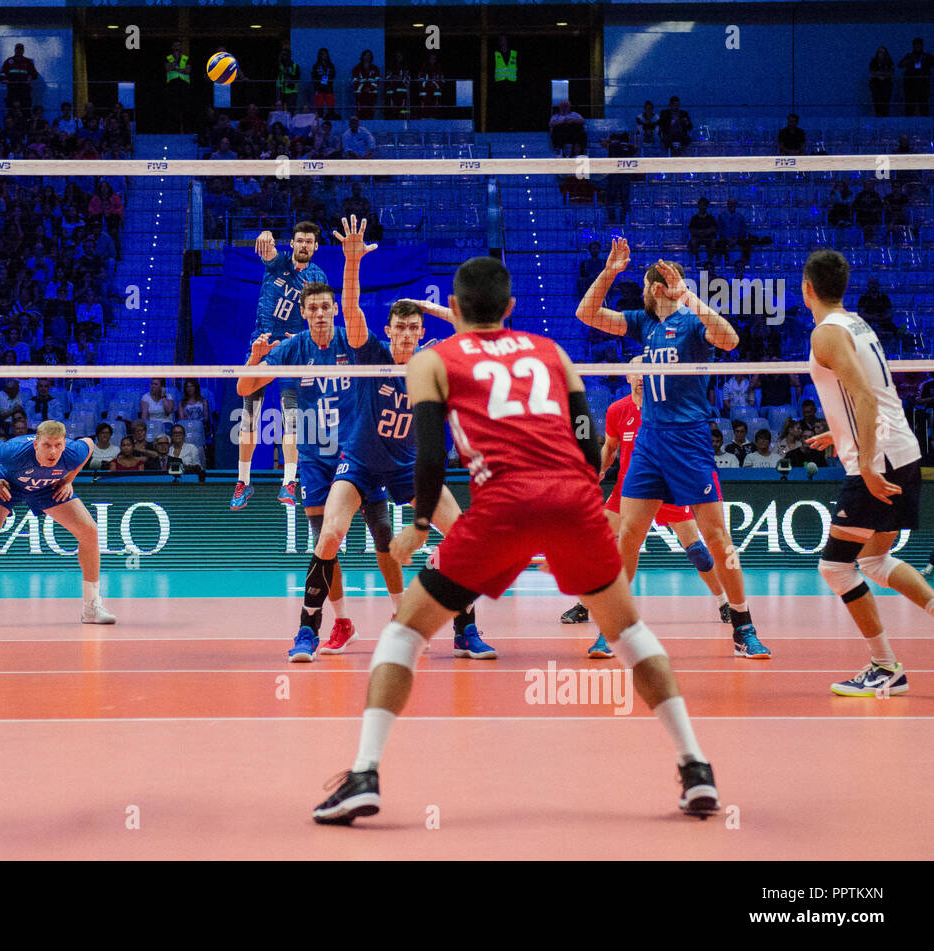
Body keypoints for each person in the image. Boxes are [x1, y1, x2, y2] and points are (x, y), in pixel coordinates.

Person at [312, 256, 720, 824]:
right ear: (508, 310)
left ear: (452, 310)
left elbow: (430, 453)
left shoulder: (433, 360)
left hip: (502, 503)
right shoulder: (552, 353)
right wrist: (586, 504)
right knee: (628, 630)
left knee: (403, 633)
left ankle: (364, 775)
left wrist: (420, 524)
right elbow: (587, 437)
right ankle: (695, 766)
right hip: (572, 498)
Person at [294, 219, 496, 660]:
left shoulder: (434, 362)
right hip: (360, 463)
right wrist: (351, 262)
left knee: (461, 534)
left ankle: (465, 629)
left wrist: (441, 312)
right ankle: (308, 630)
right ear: (389, 332)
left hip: (410, 467)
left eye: (412, 328)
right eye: (399, 328)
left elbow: (481, 336)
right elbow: (350, 311)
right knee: (329, 535)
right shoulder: (371, 353)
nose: (405, 334)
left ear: (421, 332)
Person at [575, 238, 768, 658]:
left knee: (717, 539)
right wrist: (610, 271)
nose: (640, 294)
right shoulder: (643, 324)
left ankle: (743, 624)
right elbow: (586, 314)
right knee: (628, 538)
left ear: (657, 289)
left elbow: (730, 340)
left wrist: (689, 297)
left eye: (644, 287)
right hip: (649, 441)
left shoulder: (693, 322)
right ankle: (614, 627)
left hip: (689, 439)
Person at [238, 221, 378, 661]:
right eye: (312, 308)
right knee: (325, 542)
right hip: (320, 457)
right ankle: (339, 622)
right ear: (305, 313)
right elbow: (245, 389)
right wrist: (256, 358)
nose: (319, 312)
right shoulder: (292, 345)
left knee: (385, 542)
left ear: (332, 309)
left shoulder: (349, 337)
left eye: (325, 307)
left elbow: (350, 303)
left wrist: (352, 262)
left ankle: (411, 623)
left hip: (355, 453)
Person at [801, 248, 933, 697]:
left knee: (836, 568)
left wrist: (870, 465)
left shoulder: (825, 335)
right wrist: (834, 433)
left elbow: (867, 399)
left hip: (881, 460)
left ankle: (884, 666)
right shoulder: (856, 322)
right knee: (874, 560)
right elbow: (864, 393)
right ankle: (886, 664)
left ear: (807, 289)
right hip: (903, 449)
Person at [559, 360, 731, 649]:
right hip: (629, 490)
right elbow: (611, 447)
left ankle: (724, 602)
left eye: (648, 373)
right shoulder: (617, 410)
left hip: (669, 488)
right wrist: (598, 471)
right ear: (628, 376)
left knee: (698, 552)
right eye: (637, 373)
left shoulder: (667, 408)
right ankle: (585, 605)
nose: (641, 378)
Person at [0, 419, 114, 627]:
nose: (53, 451)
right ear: (36, 444)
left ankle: (92, 607)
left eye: (58, 445)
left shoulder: (73, 453)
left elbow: (89, 444)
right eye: (47, 445)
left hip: (47, 488)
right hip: (7, 485)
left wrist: (68, 480)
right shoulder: (13, 452)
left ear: (64, 444)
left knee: (89, 531)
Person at [232, 221, 326, 511]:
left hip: (292, 349)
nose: (304, 245)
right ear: (292, 243)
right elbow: (267, 248)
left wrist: (302, 339)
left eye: (309, 242)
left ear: (316, 246)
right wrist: (264, 233)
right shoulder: (278, 264)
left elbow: (319, 318)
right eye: (300, 240)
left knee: (291, 418)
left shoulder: (318, 278)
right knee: (249, 418)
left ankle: (289, 482)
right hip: (261, 346)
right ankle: (244, 482)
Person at [0, 43, 39, 112]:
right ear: (15, 50)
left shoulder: (28, 61)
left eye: (21, 49)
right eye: (17, 49)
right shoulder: (9, 61)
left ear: (23, 51)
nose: (19, 51)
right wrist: (4, 79)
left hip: (25, 90)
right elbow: (2, 72)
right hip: (12, 90)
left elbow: (35, 74)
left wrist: (30, 77)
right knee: (12, 110)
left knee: (25, 110)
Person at [898, 38, 931, 117]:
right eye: (915, 45)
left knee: (923, 102)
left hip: (923, 83)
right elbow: (900, 65)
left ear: (922, 46)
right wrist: (910, 60)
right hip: (910, 84)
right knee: (909, 102)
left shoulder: (926, 56)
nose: (917, 46)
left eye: (919, 44)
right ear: (913, 46)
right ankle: (908, 121)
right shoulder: (909, 56)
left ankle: (924, 120)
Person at [164, 41, 190, 134]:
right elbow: (167, 68)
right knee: (172, 111)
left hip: (183, 87)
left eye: (178, 45)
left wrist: (175, 68)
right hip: (172, 88)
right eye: (175, 45)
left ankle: (184, 130)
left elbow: (187, 70)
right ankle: (172, 131)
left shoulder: (185, 58)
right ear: (172, 46)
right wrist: (180, 68)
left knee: (184, 111)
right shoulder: (169, 58)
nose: (177, 47)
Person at [352, 50, 380, 120]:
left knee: (371, 112)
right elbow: (355, 80)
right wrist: (363, 88)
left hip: (372, 94)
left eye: (369, 55)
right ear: (362, 56)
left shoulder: (375, 68)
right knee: (360, 112)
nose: (367, 57)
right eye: (366, 55)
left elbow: (377, 80)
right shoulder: (357, 68)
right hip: (360, 95)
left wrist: (370, 88)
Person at [311, 49, 338, 120]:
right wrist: (316, 88)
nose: (324, 56)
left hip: (329, 89)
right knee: (320, 107)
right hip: (319, 89)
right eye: (322, 54)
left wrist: (327, 80)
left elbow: (333, 75)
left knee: (330, 107)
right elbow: (313, 77)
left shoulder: (330, 65)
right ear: (319, 55)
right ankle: (320, 120)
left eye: (325, 54)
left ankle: (331, 120)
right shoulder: (316, 66)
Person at [870, 46, 896, 117]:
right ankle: (878, 114)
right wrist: (882, 74)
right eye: (880, 52)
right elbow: (873, 73)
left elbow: (891, 73)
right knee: (877, 100)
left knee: (886, 100)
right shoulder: (874, 61)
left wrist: (881, 74)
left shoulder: (889, 61)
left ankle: (885, 115)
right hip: (876, 84)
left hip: (886, 85)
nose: (881, 54)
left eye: (883, 52)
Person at [276, 48, 301, 113]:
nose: (284, 57)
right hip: (282, 91)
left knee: (291, 112)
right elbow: (278, 82)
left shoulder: (295, 66)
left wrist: (288, 74)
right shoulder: (280, 67)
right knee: (281, 112)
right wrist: (278, 96)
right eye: (283, 55)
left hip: (292, 92)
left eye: (285, 55)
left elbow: (297, 80)